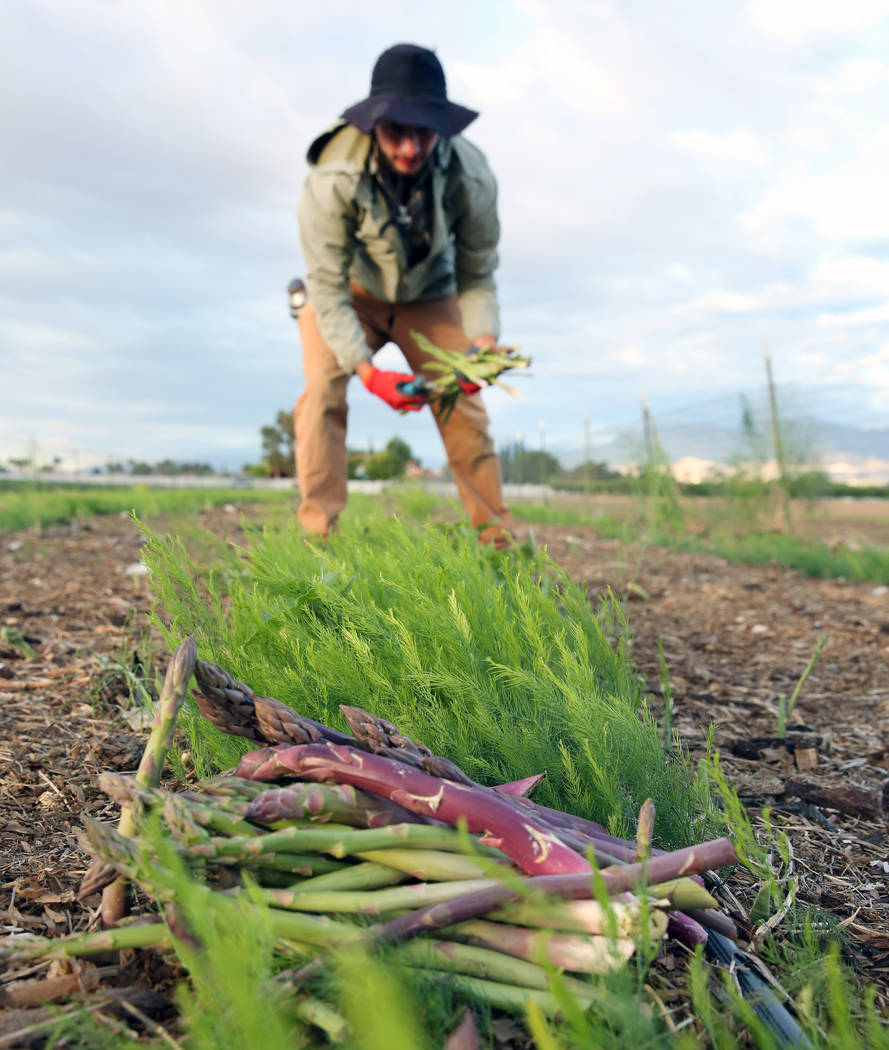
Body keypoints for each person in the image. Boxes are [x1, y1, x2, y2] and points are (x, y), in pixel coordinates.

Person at [293, 42, 513, 547]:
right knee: (322, 391)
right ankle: (317, 542)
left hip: (432, 293)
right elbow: (324, 286)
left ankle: (498, 545)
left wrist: (480, 342)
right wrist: (369, 374)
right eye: (397, 130)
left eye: (424, 131)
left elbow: (478, 273)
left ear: (442, 127)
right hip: (352, 291)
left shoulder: (472, 176)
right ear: (374, 124)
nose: (410, 147)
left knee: (463, 400)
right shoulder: (332, 177)